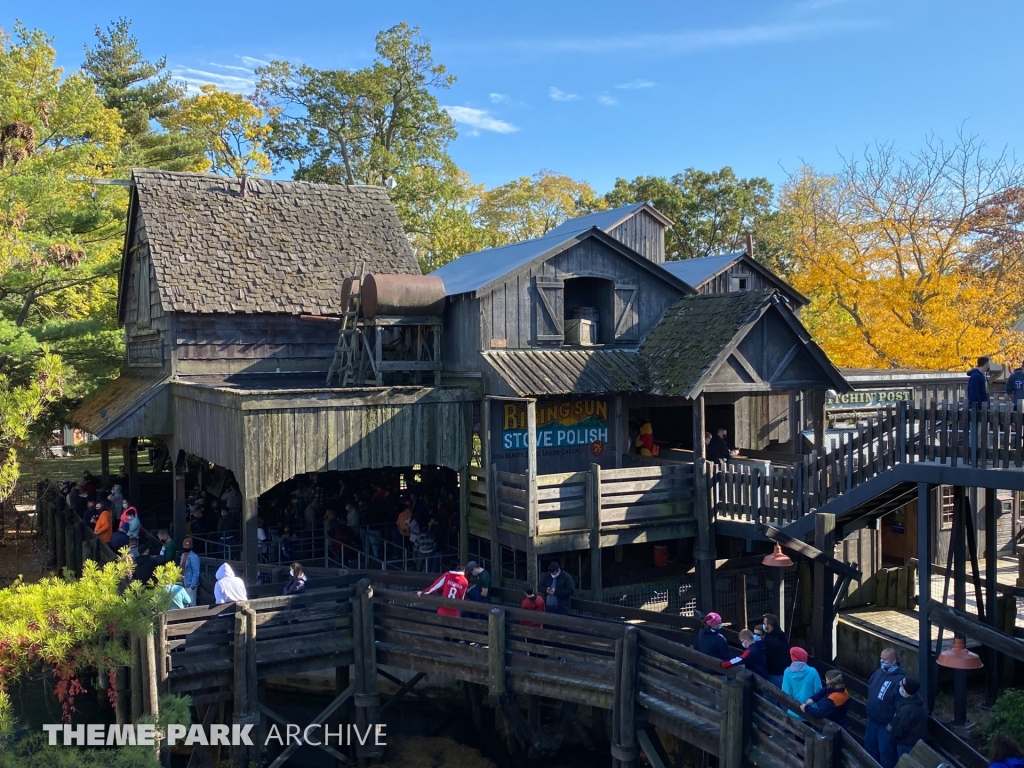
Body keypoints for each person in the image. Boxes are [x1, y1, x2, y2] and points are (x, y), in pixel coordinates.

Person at [864, 647, 906, 768]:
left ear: (894, 661)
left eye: (885, 659)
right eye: (881, 658)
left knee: (886, 754)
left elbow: (901, 705)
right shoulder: (878, 672)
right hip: (872, 721)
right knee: (869, 750)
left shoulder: (900, 680)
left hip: (885, 725)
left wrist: (892, 724)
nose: (882, 661)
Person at [888, 677, 927, 758]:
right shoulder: (918, 703)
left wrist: (891, 730)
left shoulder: (906, 709)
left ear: (907, 690)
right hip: (915, 743)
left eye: (902, 687)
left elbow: (899, 729)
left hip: (906, 744)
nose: (900, 688)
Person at [782, 647, 822, 718]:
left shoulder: (787, 672)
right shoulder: (813, 671)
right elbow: (818, 691)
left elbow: (786, 691)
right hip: (811, 710)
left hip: (794, 711)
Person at [761, 613, 790, 688]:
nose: (763, 625)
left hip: (774, 673)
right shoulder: (783, 636)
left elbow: (766, 657)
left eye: (764, 623)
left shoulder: (769, 641)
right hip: (784, 670)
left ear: (769, 626)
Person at [180, 538, 200, 606]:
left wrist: (193, 585)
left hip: (190, 584)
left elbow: (196, 572)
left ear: (191, 546)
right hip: (183, 583)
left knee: (191, 603)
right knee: (184, 603)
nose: (186, 547)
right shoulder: (182, 555)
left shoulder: (194, 557)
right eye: (185, 545)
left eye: (188, 545)